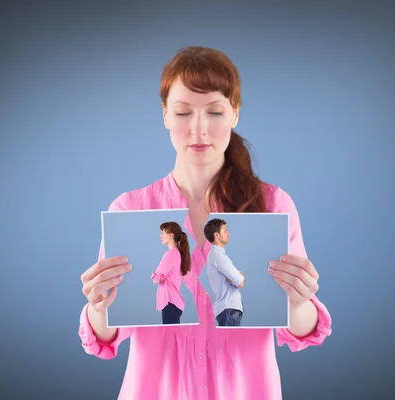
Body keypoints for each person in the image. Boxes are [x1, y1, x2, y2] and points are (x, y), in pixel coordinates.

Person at [79, 46, 332, 400]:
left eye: (214, 111)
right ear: (165, 115)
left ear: (235, 114)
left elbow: (301, 330)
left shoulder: (273, 206)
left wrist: (298, 302)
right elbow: (107, 335)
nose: (199, 129)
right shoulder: (129, 209)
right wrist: (98, 307)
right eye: (183, 113)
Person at [203, 218, 245, 326]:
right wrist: (239, 276)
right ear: (216, 235)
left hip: (227, 310)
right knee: (231, 342)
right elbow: (240, 282)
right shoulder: (219, 257)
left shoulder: (217, 256)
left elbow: (238, 279)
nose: (228, 233)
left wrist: (238, 276)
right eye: (225, 231)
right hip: (229, 310)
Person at [151, 221, 191, 324]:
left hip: (170, 303)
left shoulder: (170, 254)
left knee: (170, 336)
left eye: (162, 233)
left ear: (170, 236)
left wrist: (158, 276)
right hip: (174, 303)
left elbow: (156, 280)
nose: (160, 236)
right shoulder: (178, 253)